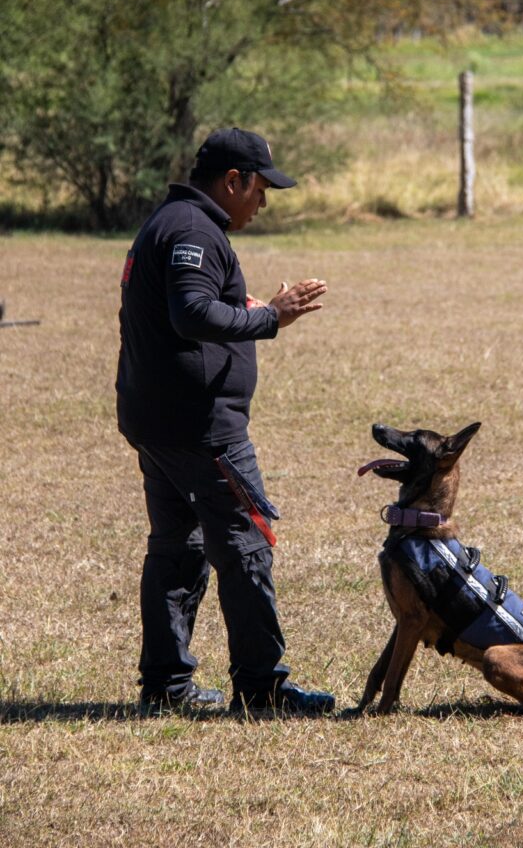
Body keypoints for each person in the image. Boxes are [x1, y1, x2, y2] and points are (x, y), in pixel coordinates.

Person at [116, 126, 334, 715]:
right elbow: (190, 314)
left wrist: (248, 306)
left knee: (177, 547)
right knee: (245, 545)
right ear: (232, 180)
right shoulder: (194, 230)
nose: (262, 202)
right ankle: (262, 689)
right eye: (260, 188)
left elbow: (190, 305)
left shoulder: (172, 223)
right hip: (200, 428)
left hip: (157, 421)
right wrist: (271, 318)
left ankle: (166, 685)